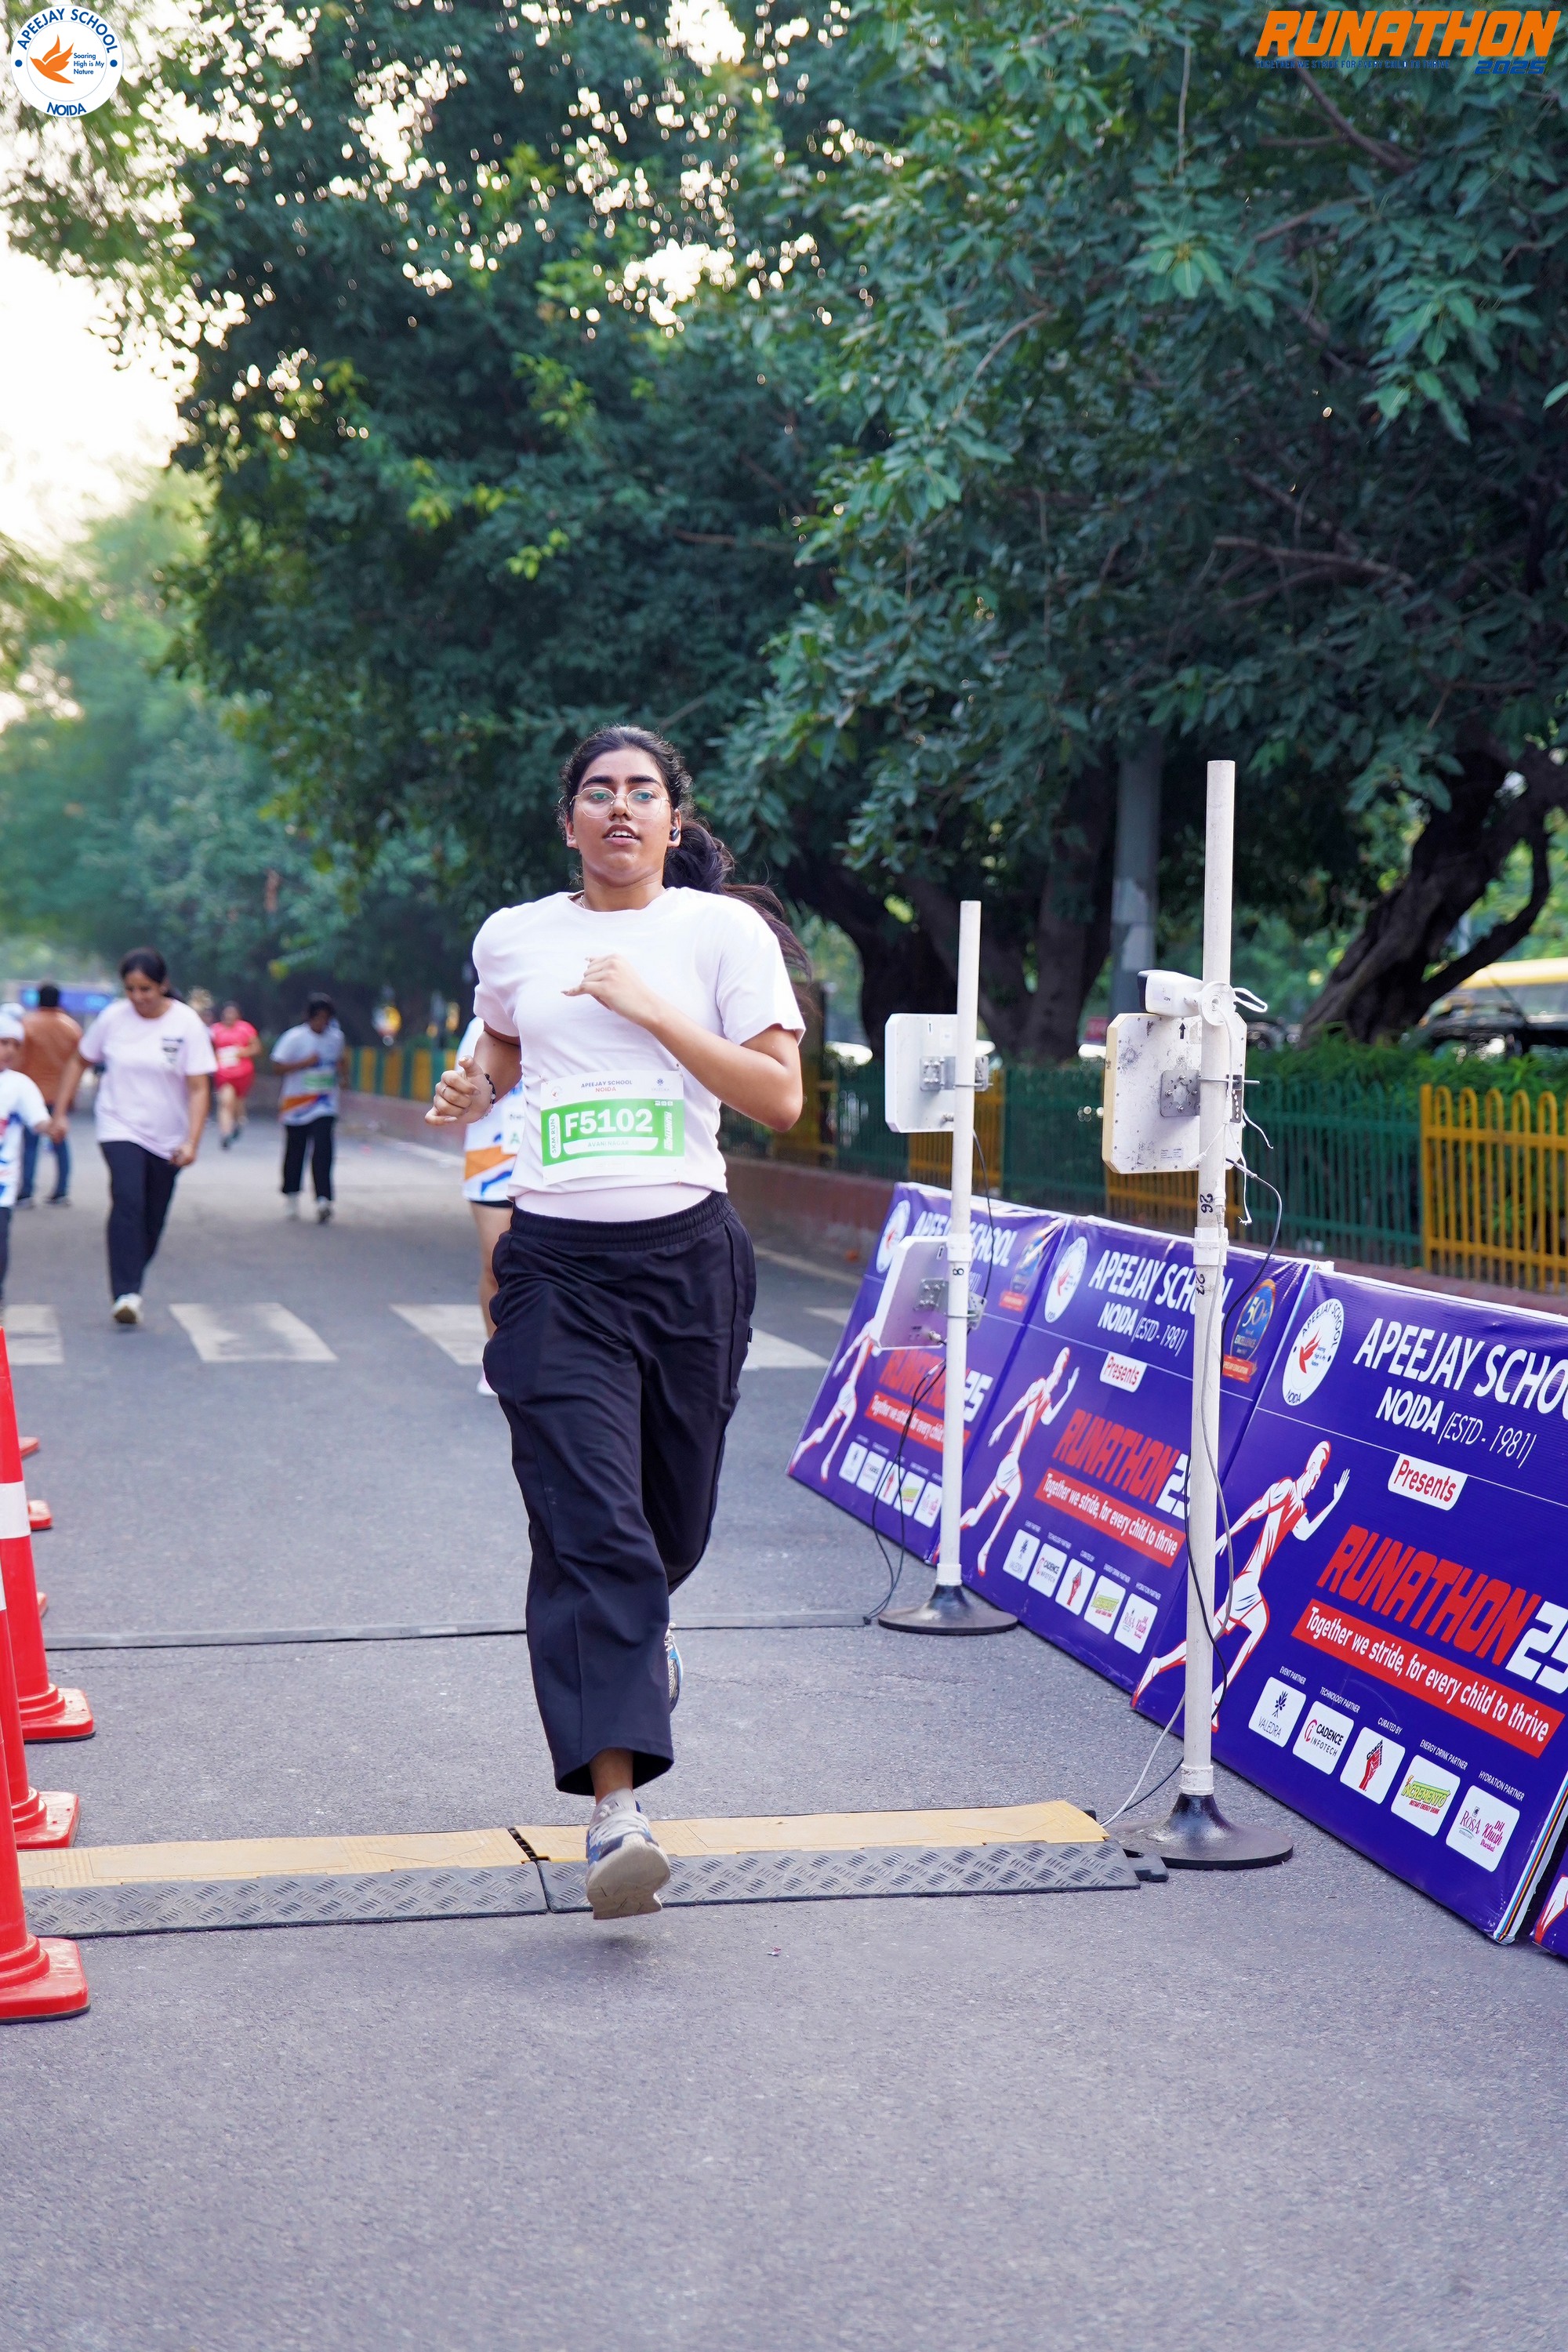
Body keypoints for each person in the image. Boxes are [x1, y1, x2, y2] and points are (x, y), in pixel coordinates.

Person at [427, 724, 807, 1921]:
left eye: (644, 792)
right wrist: (473, 1080)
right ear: (570, 821)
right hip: (554, 1268)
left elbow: (780, 1098)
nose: (623, 809)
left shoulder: (720, 935)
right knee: (590, 1530)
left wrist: (651, 1012)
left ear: (674, 821)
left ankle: (639, 1637)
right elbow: (501, 1041)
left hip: (688, 1262)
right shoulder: (516, 937)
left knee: (664, 1529)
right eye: (600, 792)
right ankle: (616, 1812)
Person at [49, 949, 216, 1326]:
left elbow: (198, 1089)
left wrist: (192, 1141)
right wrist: (60, 1113)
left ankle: (132, 1275)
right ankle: (125, 1292)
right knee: (128, 1200)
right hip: (119, 1125)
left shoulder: (186, 1024)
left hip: (169, 1136)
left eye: (146, 989)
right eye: (131, 989)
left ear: (163, 985)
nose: (138, 997)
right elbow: (79, 1060)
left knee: (152, 1217)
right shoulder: (113, 1018)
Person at [1133, 1440, 1350, 1725]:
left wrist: (1333, 1502)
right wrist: (1227, 1535)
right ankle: (1202, 1692)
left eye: (1320, 1477)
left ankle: (1173, 1674)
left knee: (1222, 1636)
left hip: (1250, 1583)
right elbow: (1256, 1510)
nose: (1316, 1482)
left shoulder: (1300, 1508)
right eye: (1317, 1474)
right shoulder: (1286, 1489)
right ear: (1310, 1468)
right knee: (1218, 1638)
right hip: (1247, 1582)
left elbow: (1305, 1534)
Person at [454, 1010, 524, 1396]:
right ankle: (498, 1360)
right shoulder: (480, 1030)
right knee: (497, 1265)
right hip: (493, 1164)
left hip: (555, 1159)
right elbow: (468, 1093)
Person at [271, 993, 346, 1222]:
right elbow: (277, 1067)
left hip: (324, 1103)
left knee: (323, 1149)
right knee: (296, 1151)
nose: (322, 1023)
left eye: (326, 1018)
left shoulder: (336, 1038)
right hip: (297, 1104)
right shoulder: (294, 1038)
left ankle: (323, 1198)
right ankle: (292, 1195)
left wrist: (344, 1076)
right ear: (309, 1017)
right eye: (318, 1018)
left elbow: (341, 1060)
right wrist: (304, 1063)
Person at [0, 1012, 53, 1316]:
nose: (8, 1050)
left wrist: (54, 1127)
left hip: (3, 1183)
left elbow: (39, 1120)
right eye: (2, 1042)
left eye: (14, 1044)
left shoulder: (19, 1085)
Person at [16, 983, 81, 1208]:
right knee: (60, 1141)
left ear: (38, 1000)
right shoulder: (71, 1028)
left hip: (33, 1093)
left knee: (30, 1144)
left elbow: (19, 1061)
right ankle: (61, 1190)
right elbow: (77, 1065)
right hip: (60, 1094)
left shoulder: (27, 1026)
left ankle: (26, 1193)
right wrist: (72, 1095)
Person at [209, 1000, 260, 1148]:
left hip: (242, 1073)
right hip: (224, 1074)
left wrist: (242, 1052)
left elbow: (256, 1048)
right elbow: (210, 1049)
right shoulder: (215, 1030)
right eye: (227, 1013)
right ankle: (225, 1133)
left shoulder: (246, 1029)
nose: (229, 1016)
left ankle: (239, 1121)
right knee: (226, 1102)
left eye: (232, 1013)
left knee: (238, 1102)